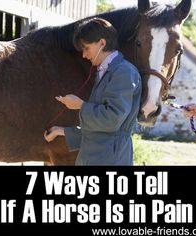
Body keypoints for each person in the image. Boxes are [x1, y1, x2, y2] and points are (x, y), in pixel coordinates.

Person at [44, 17, 142, 165]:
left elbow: (112, 120)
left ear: (102, 43)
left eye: (86, 48)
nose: (84, 55)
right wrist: (62, 131)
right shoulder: (105, 71)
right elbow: (99, 132)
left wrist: (80, 105)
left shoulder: (124, 72)